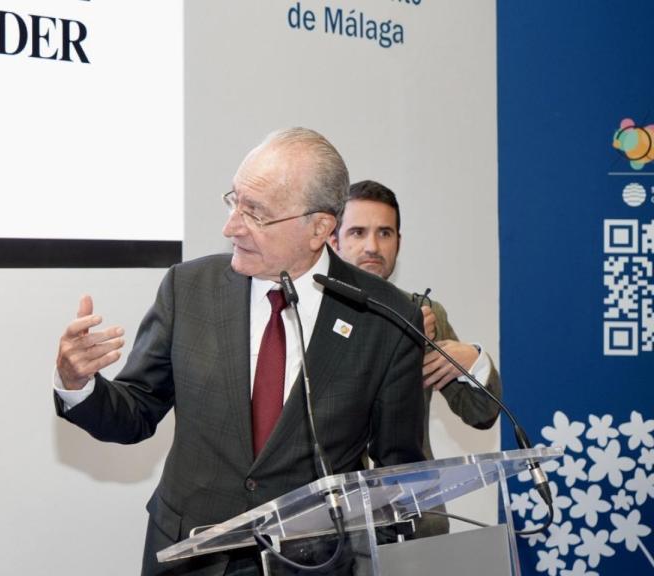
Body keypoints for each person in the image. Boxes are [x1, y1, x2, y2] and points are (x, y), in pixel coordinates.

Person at [54, 128, 426, 575]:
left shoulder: (383, 315)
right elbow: (136, 411)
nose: (231, 227)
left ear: (319, 229)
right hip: (189, 557)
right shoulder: (188, 288)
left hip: (312, 565)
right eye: (235, 202)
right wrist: (78, 386)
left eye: (256, 214)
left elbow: (397, 476)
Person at [329, 179, 503, 537]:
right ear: (333, 240)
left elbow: (480, 413)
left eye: (385, 233)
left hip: (416, 520)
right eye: (358, 233)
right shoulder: (308, 312)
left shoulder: (424, 313)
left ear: (399, 242)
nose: (372, 247)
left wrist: (472, 360)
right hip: (331, 528)